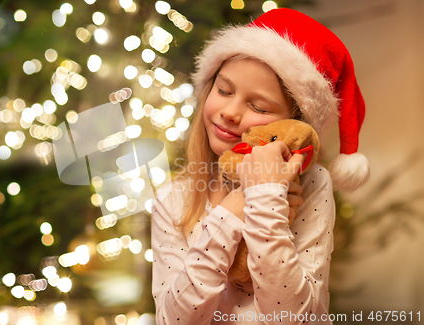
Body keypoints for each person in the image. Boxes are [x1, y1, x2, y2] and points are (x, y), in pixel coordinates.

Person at [151, 8, 369, 324]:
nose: (230, 112)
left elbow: (295, 318)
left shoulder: (313, 185)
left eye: (258, 106)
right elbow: (174, 320)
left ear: (294, 128)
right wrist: (235, 209)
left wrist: (266, 202)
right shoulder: (173, 198)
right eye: (224, 90)